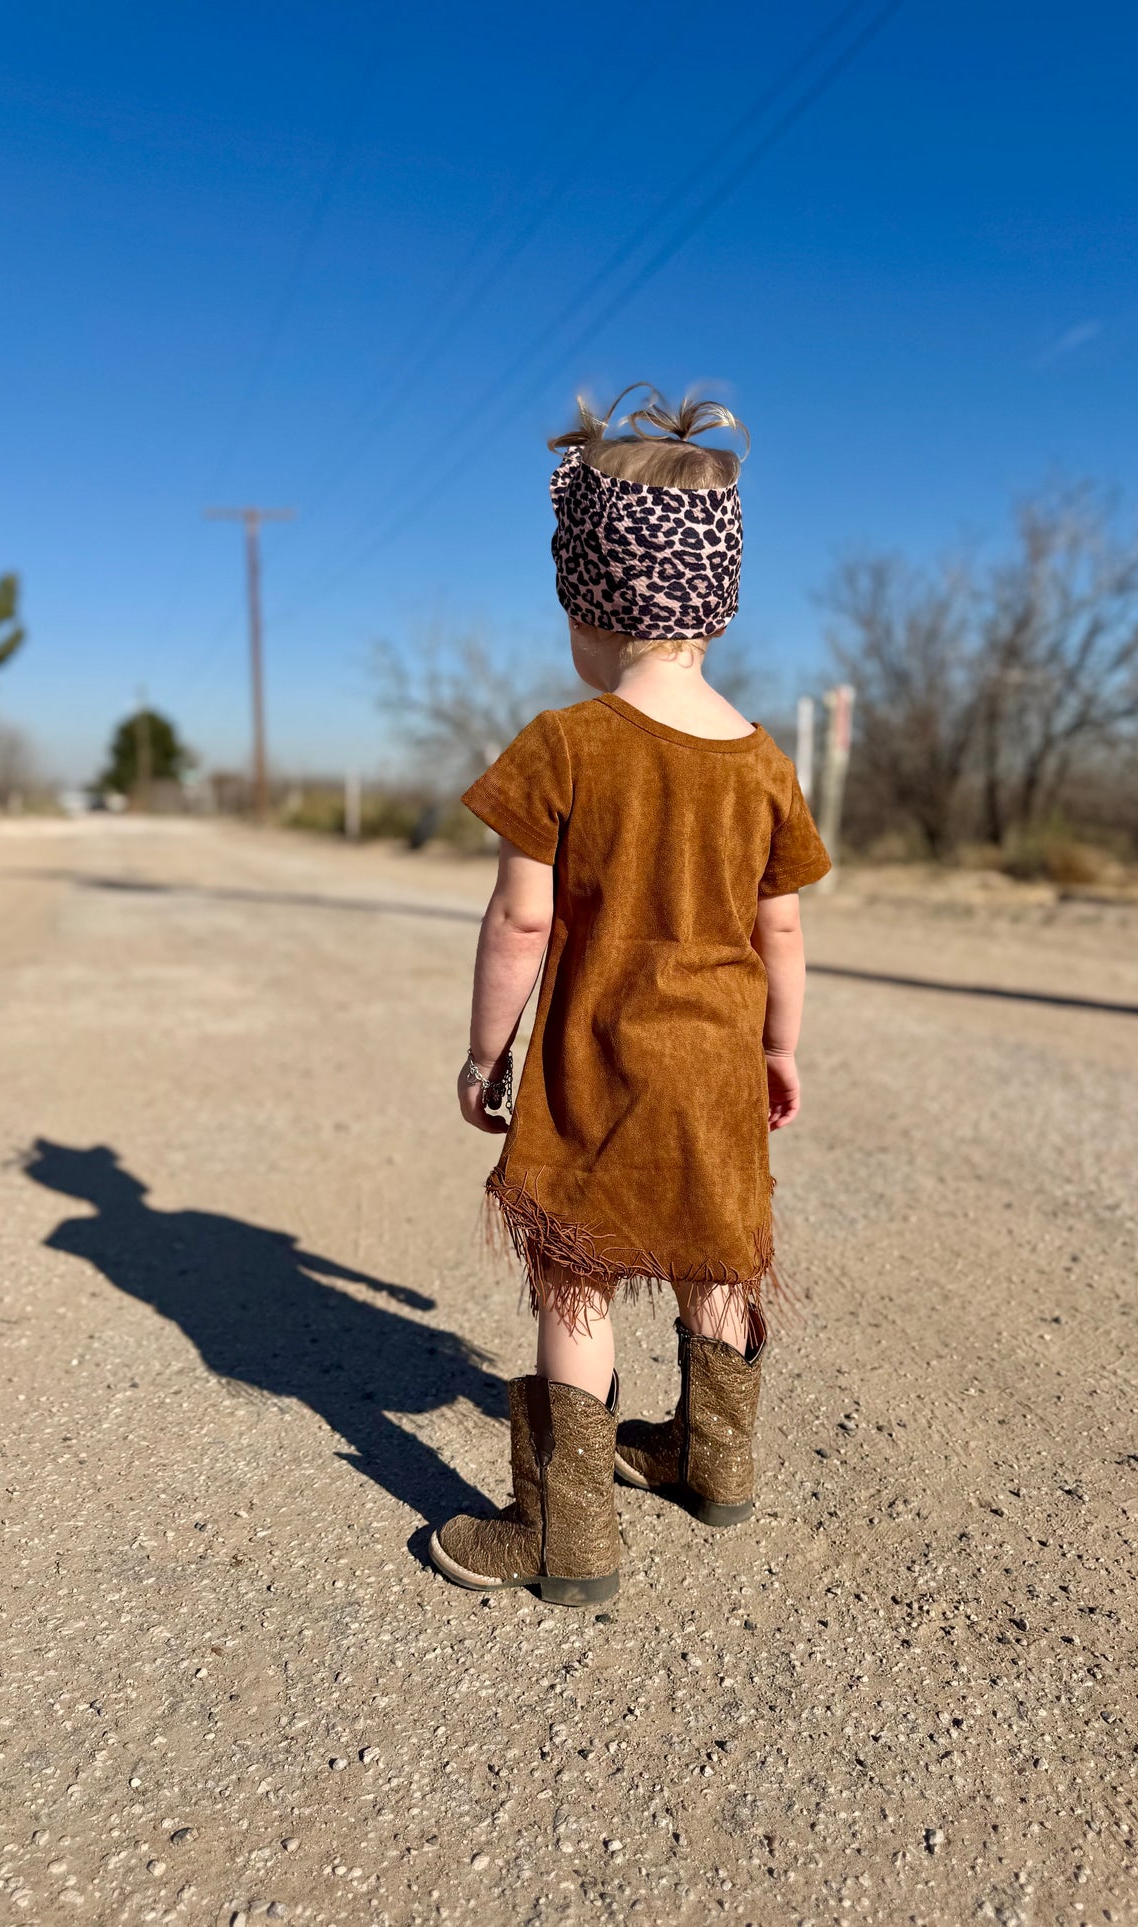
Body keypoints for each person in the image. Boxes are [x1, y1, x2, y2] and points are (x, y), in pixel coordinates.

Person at [429, 386, 830, 1607]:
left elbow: (520, 921)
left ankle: (567, 1537)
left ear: (586, 604)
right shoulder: (763, 761)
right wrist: (779, 1047)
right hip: (718, 1062)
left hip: (595, 1065)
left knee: (577, 1273)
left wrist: (484, 1053)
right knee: (718, 1256)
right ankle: (713, 1464)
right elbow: (780, 925)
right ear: (718, 604)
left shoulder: (565, 745)